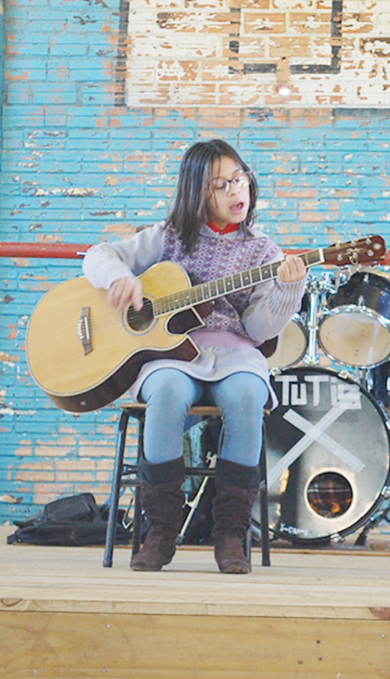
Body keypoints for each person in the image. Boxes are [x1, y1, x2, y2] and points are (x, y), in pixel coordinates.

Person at [82, 139, 307, 573]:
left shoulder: (264, 252)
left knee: (247, 397)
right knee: (166, 392)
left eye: (240, 179)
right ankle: (161, 530)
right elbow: (98, 256)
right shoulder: (168, 237)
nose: (236, 191)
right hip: (170, 354)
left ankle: (231, 534)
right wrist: (119, 279)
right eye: (221, 185)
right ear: (196, 192)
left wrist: (288, 290)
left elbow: (259, 330)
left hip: (235, 353)